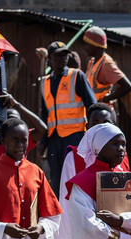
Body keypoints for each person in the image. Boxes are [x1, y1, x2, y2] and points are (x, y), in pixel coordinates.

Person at [54, 103, 127, 239]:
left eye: (106, 123)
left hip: (119, 234)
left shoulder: (121, 157)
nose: (101, 127)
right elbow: (66, 200)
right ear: (88, 126)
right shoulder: (74, 156)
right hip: (84, 233)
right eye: (96, 123)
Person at [41, 41, 96, 196]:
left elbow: (92, 106)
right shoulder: (44, 82)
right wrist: (43, 141)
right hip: (54, 139)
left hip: (75, 138)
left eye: (65, 54)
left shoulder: (77, 76)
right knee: (56, 179)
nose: (62, 58)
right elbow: (45, 114)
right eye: (58, 55)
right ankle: (61, 216)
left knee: (77, 178)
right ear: (49, 59)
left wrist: (93, 135)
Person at [0, 97, 47, 172]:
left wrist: (17, 105)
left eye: (17, 122)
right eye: (10, 121)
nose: (19, 145)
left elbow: (42, 129)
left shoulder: (22, 139)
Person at [82, 27, 131, 106]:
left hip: (102, 112)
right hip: (92, 109)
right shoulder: (92, 62)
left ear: (95, 44)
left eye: (87, 44)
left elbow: (127, 86)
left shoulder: (106, 64)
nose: (85, 47)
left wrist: (106, 99)